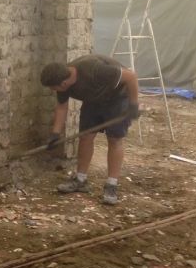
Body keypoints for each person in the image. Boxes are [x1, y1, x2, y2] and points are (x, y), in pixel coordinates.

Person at [39, 54, 140, 205]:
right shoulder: (61, 79)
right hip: (93, 101)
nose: (53, 90)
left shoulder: (94, 70)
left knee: (114, 139)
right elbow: (61, 107)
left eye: (53, 88)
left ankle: (111, 185)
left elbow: (130, 77)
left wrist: (133, 104)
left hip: (117, 98)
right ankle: (81, 180)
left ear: (64, 83)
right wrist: (55, 133)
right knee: (85, 136)